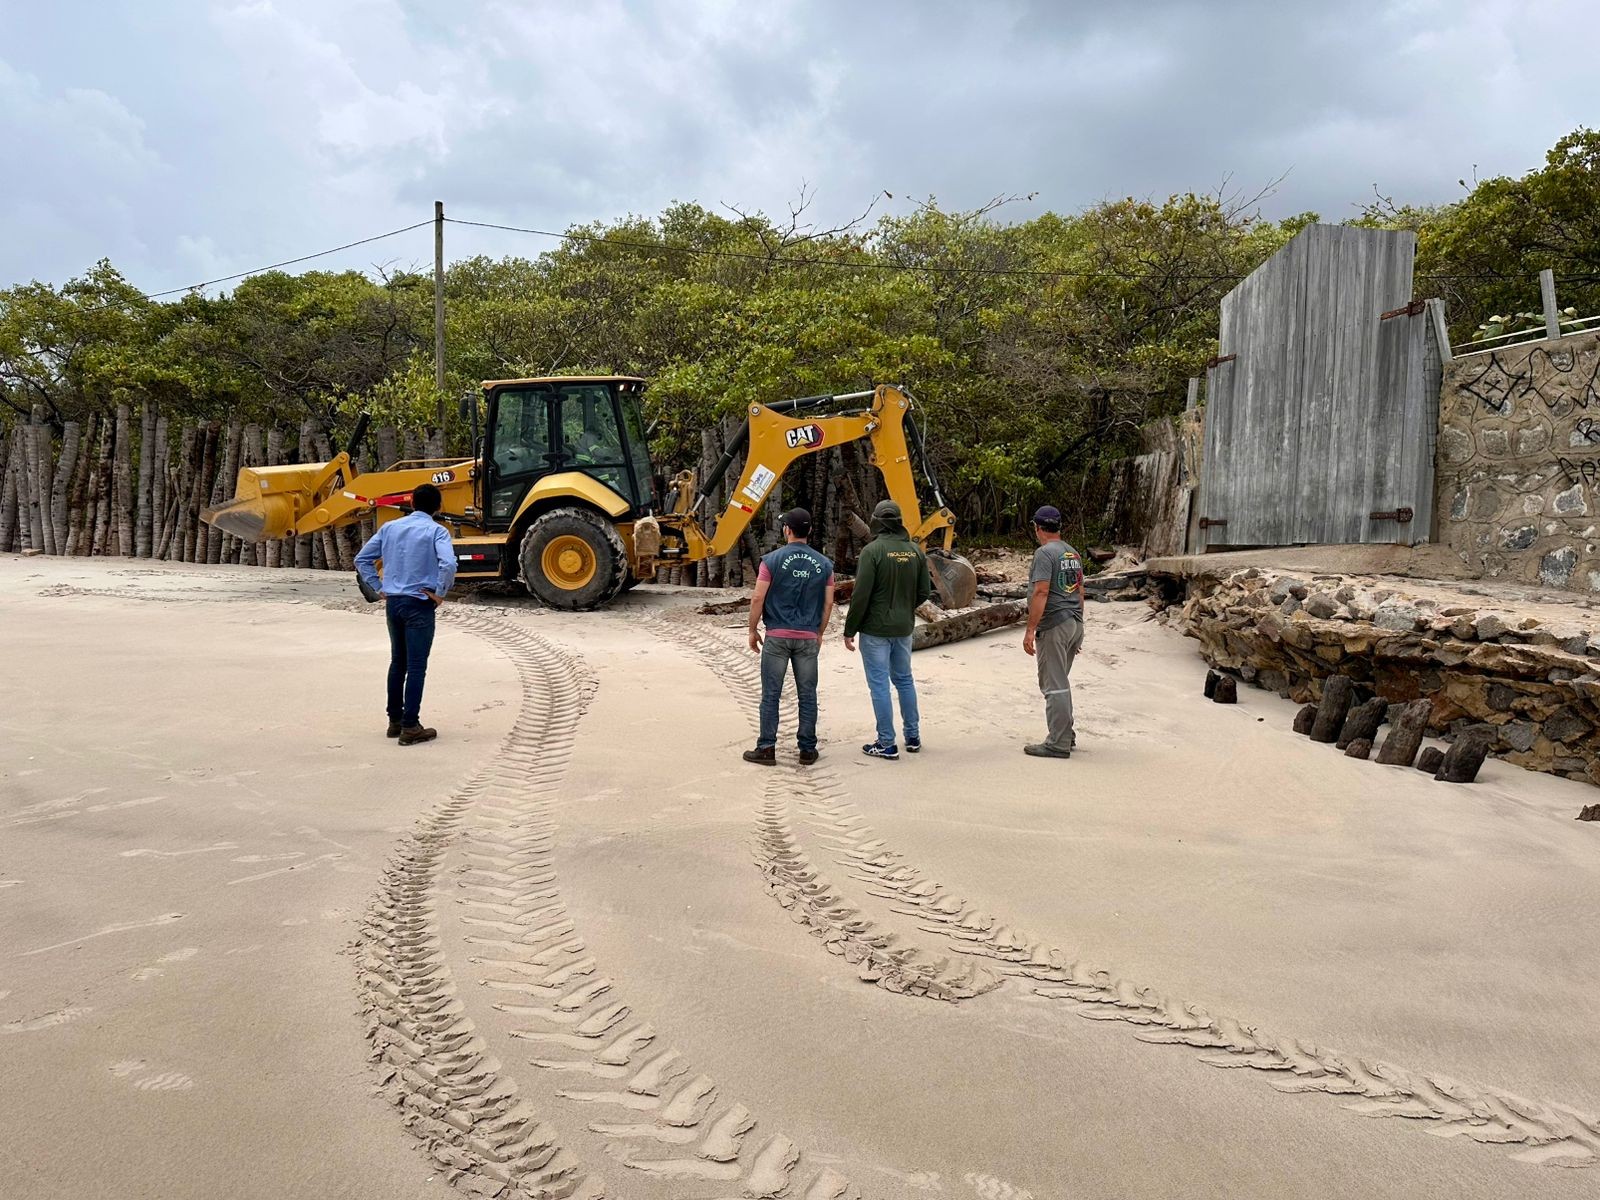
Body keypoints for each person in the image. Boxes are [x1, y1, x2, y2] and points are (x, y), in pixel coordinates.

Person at [355, 483, 457, 746]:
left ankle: (395, 721)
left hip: (394, 602)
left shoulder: (390, 528)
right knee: (416, 666)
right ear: (438, 507)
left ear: (411, 503)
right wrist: (440, 592)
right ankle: (411, 726)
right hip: (419, 602)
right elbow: (448, 563)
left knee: (397, 662)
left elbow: (362, 559)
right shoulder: (437, 531)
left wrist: (378, 588)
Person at [744, 509, 835, 766]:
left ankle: (766, 747)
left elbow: (758, 597)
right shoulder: (824, 564)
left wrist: (753, 629)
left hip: (777, 636)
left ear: (787, 530)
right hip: (807, 636)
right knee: (807, 694)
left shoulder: (771, 561)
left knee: (771, 693)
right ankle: (807, 749)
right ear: (809, 532)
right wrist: (819, 632)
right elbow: (828, 604)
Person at [843, 499, 931, 760]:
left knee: (880, 684)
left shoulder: (873, 551)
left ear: (877, 521)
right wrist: (905, 608)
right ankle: (912, 736)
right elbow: (924, 591)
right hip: (903, 628)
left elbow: (861, 595)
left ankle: (886, 742)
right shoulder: (915, 551)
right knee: (904, 680)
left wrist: (850, 629)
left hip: (875, 629)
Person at [1021, 505, 1085, 759]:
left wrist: (1030, 629)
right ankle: (1066, 734)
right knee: (1059, 680)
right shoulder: (1073, 553)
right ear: (1059, 526)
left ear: (1037, 528)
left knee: (1053, 684)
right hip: (1073, 622)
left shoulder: (1044, 554)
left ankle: (1058, 742)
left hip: (1055, 624)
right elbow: (1080, 592)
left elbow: (1041, 592)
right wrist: (1079, 626)